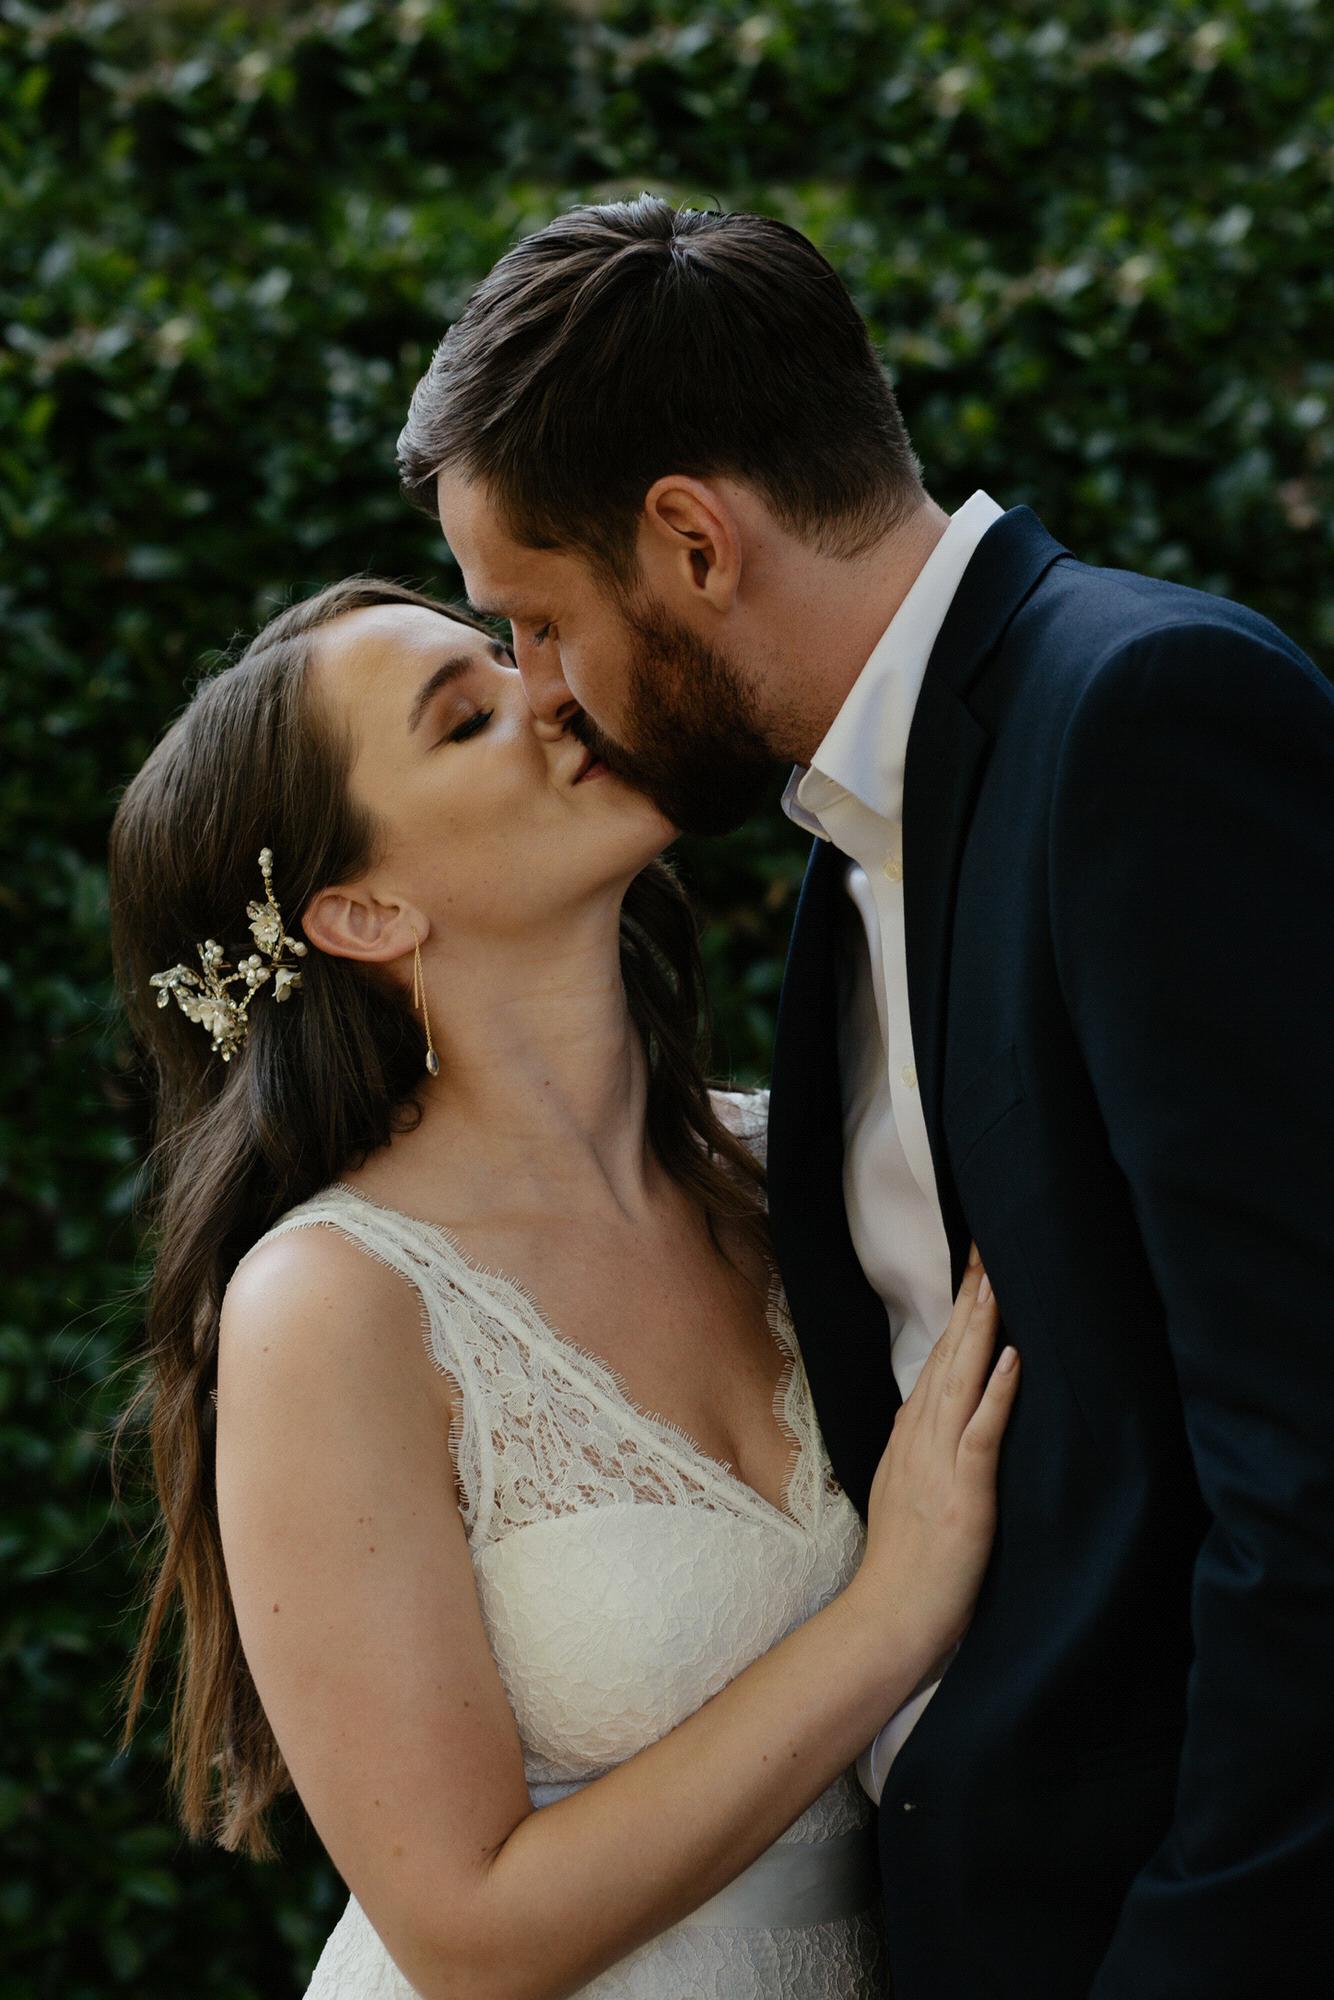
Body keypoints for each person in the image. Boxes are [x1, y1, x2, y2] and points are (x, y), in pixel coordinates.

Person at [397, 194, 1334, 1997]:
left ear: (688, 537)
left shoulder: (1141, 720)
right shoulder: (852, 836)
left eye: (533, 624)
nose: (542, 699)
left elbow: (1305, 1466)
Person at [108, 576, 1020, 1999]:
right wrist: (888, 1611)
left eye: (509, 652)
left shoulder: (815, 1167)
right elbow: (466, 1936)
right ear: (365, 911)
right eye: (466, 719)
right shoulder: (335, 1305)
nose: (551, 689)